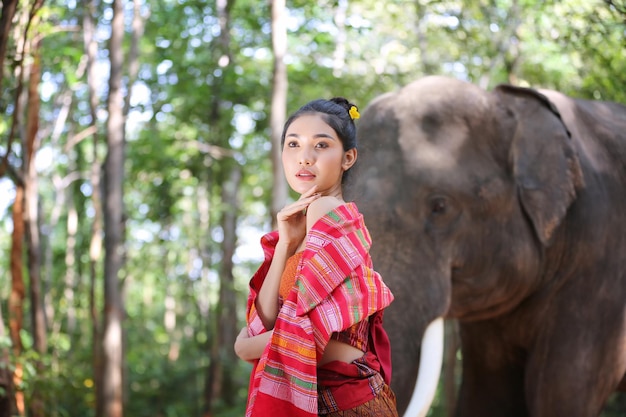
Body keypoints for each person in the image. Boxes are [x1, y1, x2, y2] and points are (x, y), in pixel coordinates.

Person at [234, 97, 398, 417]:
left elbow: (315, 336)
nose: (304, 158)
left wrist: (244, 348)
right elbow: (264, 323)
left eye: (321, 145)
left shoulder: (327, 211)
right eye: (293, 144)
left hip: (344, 404)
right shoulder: (302, 223)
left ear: (348, 158)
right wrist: (285, 244)